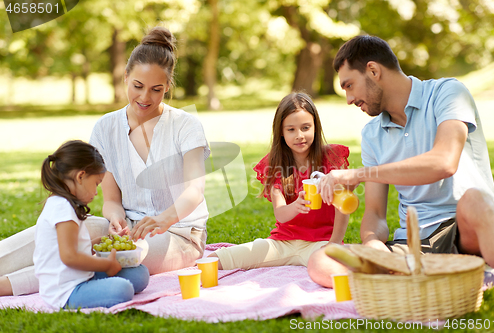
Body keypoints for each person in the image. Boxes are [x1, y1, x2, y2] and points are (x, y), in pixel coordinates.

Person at [0, 26, 209, 297]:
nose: (145, 97)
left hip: (179, 235)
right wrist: (115, 219)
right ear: (125, 77)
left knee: (112, 253)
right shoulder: (106, 127)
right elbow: (111, 199)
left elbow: (195, 190)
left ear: (168, 86)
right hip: (128, 227)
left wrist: (162, 220)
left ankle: (5, 287)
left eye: (156, 89)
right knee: (60, 231)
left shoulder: (186, 125)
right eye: (137, 86)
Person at [307, 35, 494, 288]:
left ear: (373, 70)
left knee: (476, 199)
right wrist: (373, 244)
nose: (349, 99)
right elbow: (375, 214)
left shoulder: (448, 93)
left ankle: (449, 273)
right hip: (412, 246)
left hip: (466, 230)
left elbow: (444, 162)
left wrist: (358, 174)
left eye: (349, 85)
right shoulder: (372, 134)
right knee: (321, 260)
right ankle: (418, 276)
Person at [209, 92, 350, 270]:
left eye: (306, 128)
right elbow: (281, 214)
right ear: (281, 132)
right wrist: (296, 205)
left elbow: (343, 207)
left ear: (315, 127)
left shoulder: (331, 157)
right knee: (217, 259)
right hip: (282, 243)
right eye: (291, 129)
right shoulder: (275, 164)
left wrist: (335, 242)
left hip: (321, 243)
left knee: (331, 267)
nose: (299, 135)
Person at [36, 140, 148, 308]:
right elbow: (70, 257)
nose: (96, 192)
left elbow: (77, 248)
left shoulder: (64, 204)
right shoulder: (61, 207)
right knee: (122, 289)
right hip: (66, 291)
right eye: (96, 183)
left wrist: (105, 241)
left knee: (140, 274)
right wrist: (107, 264)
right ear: (80, 176)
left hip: (81, 276)